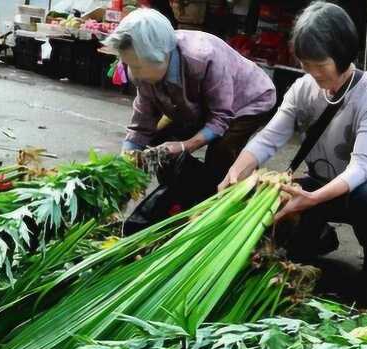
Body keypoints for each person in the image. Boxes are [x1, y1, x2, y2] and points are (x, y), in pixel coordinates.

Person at [218, 1, 367, 306]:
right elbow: (268, 139)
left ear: (342, 53)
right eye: (305, 63)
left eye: (320, 64)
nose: (313, 72)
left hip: (357, 192)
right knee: (292, 251)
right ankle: (316, 240)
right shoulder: (303, 88)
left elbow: (362, 166)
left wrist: (313, 199)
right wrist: (235, 173)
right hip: (315, 187)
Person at [103, 8, 276, 209]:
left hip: (247, 101)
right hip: (198, 104)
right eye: (129, 65)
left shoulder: (203, 58)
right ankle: (188, 190)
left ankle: (224, 201)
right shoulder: (142, 72)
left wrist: (186, 145)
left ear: (162, 55)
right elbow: (142, 125)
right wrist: (126, 162)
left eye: (138, 66)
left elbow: (221, 117)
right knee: (158, 141)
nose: (134, 74)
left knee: (221, 151)